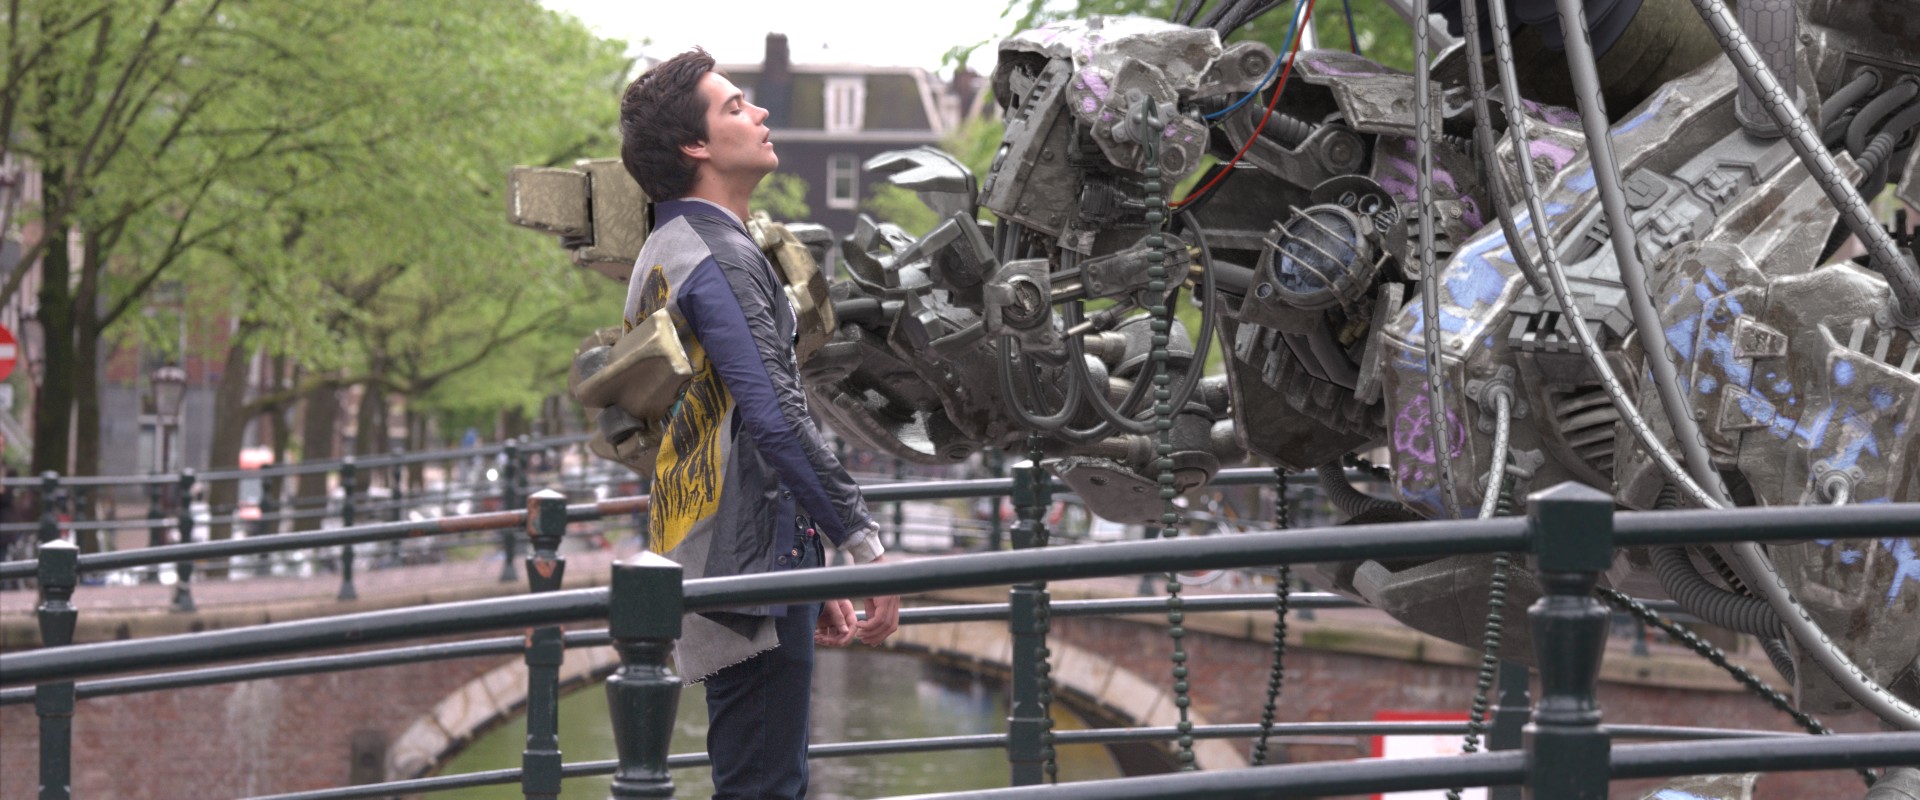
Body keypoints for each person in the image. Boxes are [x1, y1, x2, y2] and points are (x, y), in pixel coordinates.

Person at [616, 48, 901, 799]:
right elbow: (774, 415)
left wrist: (804, 558)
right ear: (696, 145)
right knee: (766, 785)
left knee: (758, 774)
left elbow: (725, 418)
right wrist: (863, 545)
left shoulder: (666, 248)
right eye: (736, 106)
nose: (761, 112)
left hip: (718, 551)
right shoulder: (721, 258)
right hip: (745, 574)